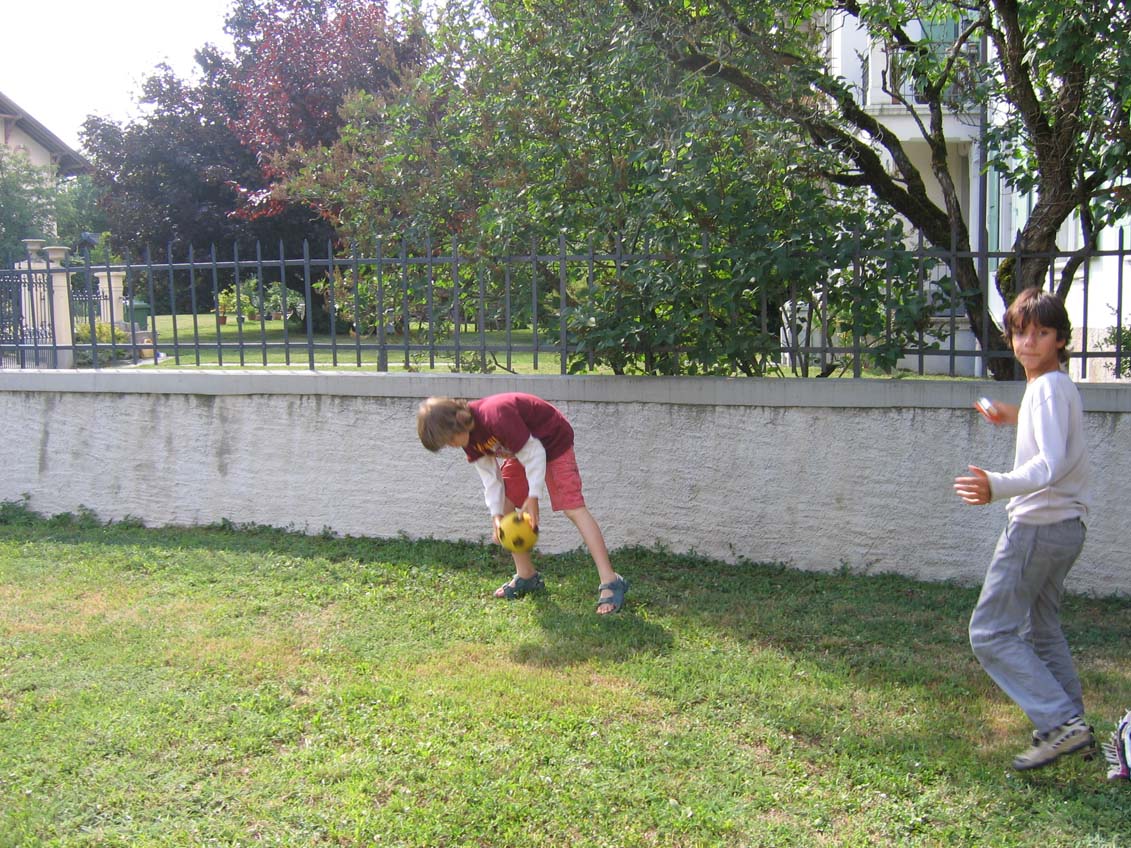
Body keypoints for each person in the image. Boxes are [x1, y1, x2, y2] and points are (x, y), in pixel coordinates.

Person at [953, 287, 1093, 771]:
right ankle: (1073, 726)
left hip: (1036, 528)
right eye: (1021, 332)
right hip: (1065, 529)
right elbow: (1054, 438)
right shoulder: (1053, 387)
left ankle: (1060, 723)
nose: (1029, 342)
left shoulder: (1048, 388)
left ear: (1061, 339)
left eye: (1042, 333)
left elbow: (1049, 464)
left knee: (990, 632)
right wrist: (1013, 415)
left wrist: (997, 484)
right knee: (1042, 629)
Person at [417, 392, 628, 615]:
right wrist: (496, 516)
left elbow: (535, 452)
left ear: (459, 420)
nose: (451, 445)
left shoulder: (495, 416)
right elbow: (491, 478)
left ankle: (611, 580)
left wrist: (533, 496)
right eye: (446, 443)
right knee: (505, 505)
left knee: (573, 508)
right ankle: (527, 576)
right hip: (524, 449)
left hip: (553, 440)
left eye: (450, 439)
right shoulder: (468, 438)